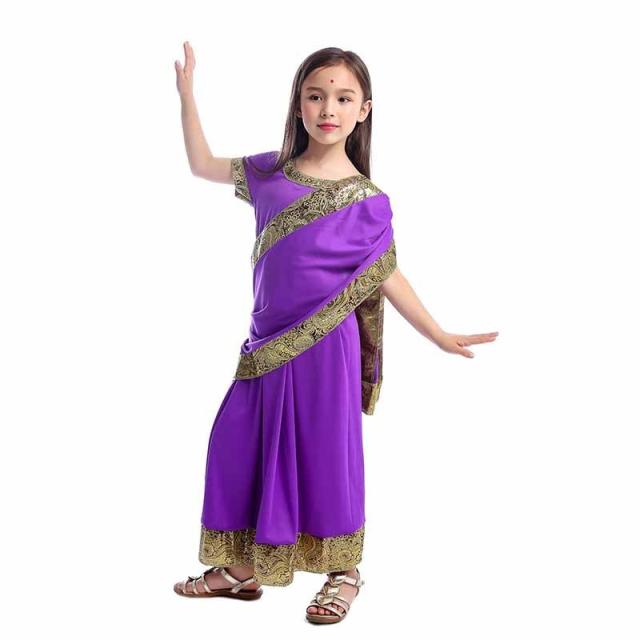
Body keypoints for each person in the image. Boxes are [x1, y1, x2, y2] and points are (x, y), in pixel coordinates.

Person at [171, 43, 499, 625]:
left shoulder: (369, 203)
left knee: (326, 453)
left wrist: (437, 334)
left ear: (364, 110)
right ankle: (243, 570)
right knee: (236, 444)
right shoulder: (269, 172)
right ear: (298, 104)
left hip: (328, 351)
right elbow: (201, 164)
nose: (329, 108)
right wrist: (187, 95)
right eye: (316, 96)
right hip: (264, 345)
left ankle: (343, 573)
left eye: (344, 98)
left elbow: (387, 274)